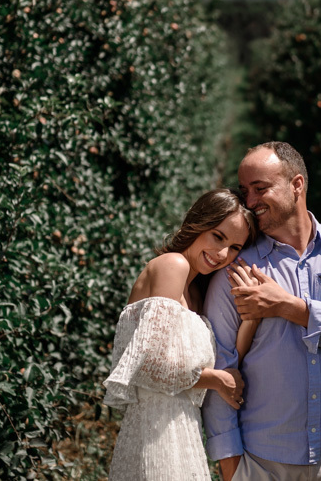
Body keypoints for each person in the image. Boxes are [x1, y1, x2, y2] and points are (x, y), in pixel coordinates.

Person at [203, 142, 321, 480]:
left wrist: (290, 307)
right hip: (261, 464)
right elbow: (221, 368)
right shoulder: (237, 268)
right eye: (245, 192)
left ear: (297, 184)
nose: (251, 202)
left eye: (261, 188)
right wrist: (229, 466)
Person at [103, 188, 259, 480]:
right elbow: (147, 366)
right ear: (197, 224)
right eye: (218, 236)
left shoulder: (195, 294)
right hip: (154, 433)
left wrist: (251, 319)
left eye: (236, 247)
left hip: (183, 433)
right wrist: (216, 380)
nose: (223, 254)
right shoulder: (172, 266)